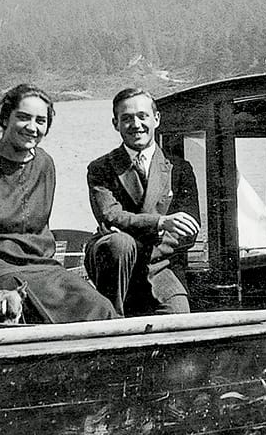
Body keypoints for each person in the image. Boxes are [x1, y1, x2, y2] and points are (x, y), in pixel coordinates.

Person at [0, 84, 117, 323]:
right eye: (23, 118)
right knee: (34, 312)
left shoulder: (45, 163)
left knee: (100, 307)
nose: (32, 128)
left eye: (40, 121)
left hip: (43, 268)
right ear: (5, 118)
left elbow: (37, 228)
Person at [84, 88, 201, 316]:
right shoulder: (101, 168)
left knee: (179, 318)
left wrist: (136, 230)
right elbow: (110, 216)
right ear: (115, 123)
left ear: (156, 119)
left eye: (142, 116)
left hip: (161, 266)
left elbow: (189, 230)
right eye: (126, 118)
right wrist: (160, 223)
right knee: (119, 244)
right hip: (117, 267)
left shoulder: (179, 169)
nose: (135, 124)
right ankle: (111, 319)